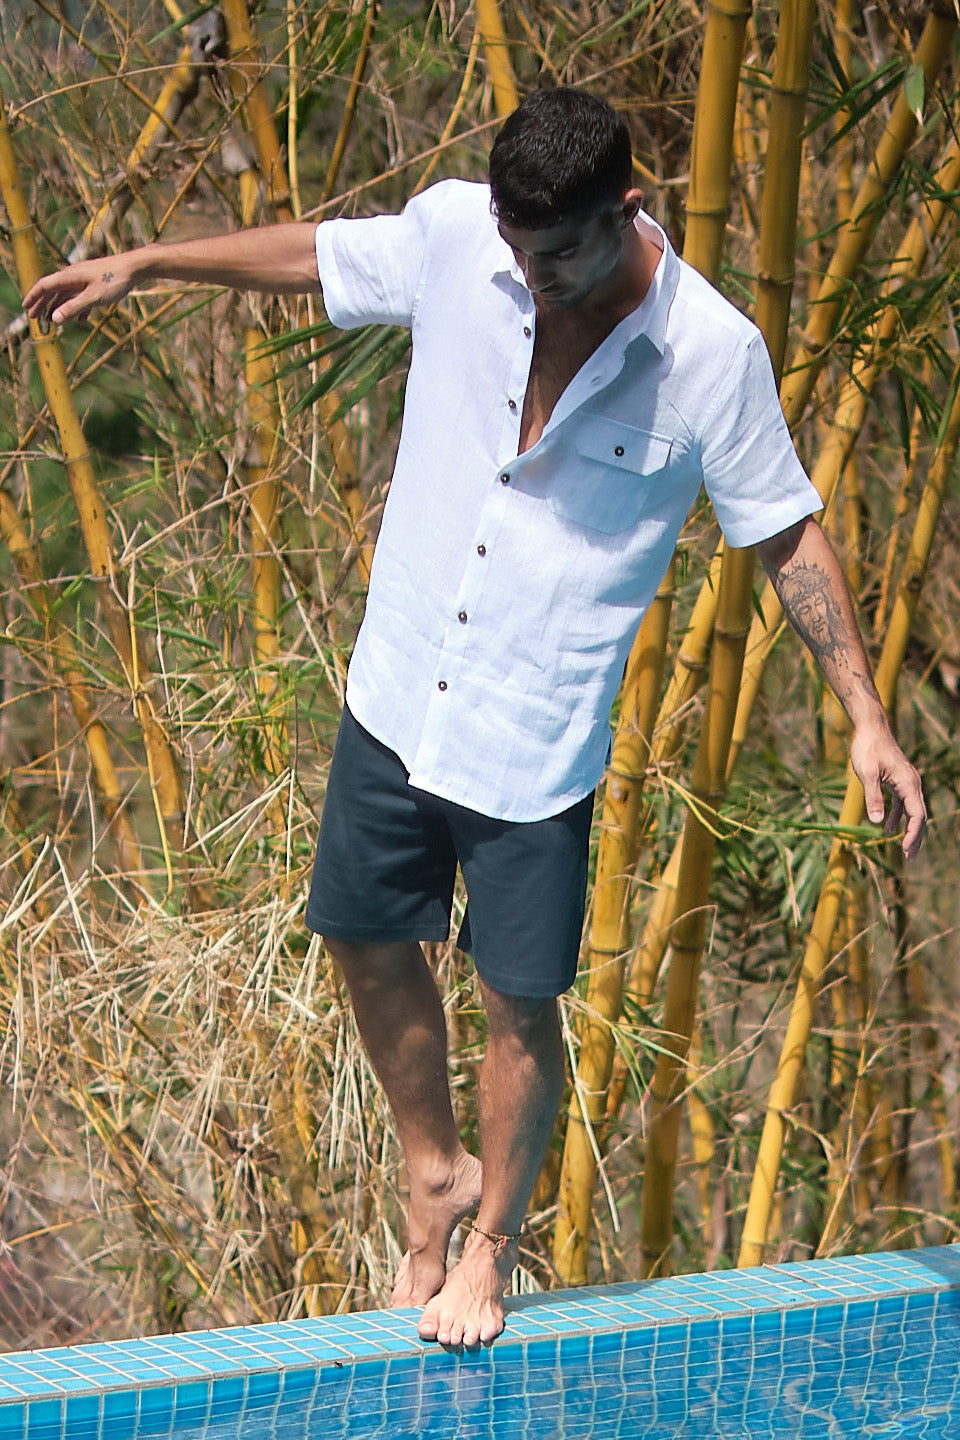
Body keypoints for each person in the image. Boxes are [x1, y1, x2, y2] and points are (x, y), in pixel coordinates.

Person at [24, 87, 926, 1349]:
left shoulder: (710, 354)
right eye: (517, 247)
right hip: (400, 691)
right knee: (359, 929)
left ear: (627, 208)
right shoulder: (464, 238)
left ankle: (489, 1246)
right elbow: (321, 255)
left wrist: (867, 717)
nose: (532, 274)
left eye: (557, 251)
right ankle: (432, 1167)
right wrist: (148, 261)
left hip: (534, 734)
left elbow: (784, 530)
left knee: (519, 1003)